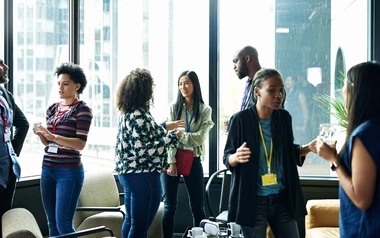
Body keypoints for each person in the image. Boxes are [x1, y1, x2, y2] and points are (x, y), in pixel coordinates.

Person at [223, 68, 316, 238]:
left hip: (282, 198)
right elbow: (227, 157)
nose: (278, 95)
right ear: (257, 91)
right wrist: (235, 157)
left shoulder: (284, 118)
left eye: (281, 90)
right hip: (253, 200)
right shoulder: (240, 120)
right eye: (271, 90)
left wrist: (307, 148)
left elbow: (287, 153)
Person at [313, 61, 380, 237]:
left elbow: (362, 199)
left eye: (344, 85)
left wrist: (333, 160)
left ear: (354, 89)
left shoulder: (364, 134)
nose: (342, 91)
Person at [114, 68, 180, 238]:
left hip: (128, 174)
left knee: (131, 222)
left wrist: (165, 126)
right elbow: (144, 150)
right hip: (142, 175)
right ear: (144, 90)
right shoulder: (140, 116)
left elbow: (144, 135)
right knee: (140, 228)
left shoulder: (128, 114)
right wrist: (172, 138)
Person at [34, 62, 93, 236]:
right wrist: (43, 136)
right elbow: (50, 145)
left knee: (64, 226)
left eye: (65, 84)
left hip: (69, 172)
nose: (60, 87)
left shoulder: (83, 110)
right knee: (51, 225)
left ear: (77, 86)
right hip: (48, 168)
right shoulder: (52, 108)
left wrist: (54, 137)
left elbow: (79, 144)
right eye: (59, 83)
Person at [161, 70, 214, 238]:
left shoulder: (205, 110)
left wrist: (182, 135)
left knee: (197, 206)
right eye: (180, 84)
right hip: (173, 159)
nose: (182, 87)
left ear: (194, 85)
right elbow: (169, 137)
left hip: (194, 159)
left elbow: (200, 138)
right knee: (169, 206)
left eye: (186, 83)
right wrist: (171, 161)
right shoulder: (173, 107)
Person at [0, 58, 29, 234]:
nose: (6, 67)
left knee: (5, 220)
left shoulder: (5, 95)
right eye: (1, 64)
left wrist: (13, 152)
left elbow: (23, 124)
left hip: (8, 169)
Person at [224, 46, 262, 133]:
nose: (234, 67)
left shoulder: (265, 83)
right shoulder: (250, 82)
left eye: (236, 61)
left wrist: (236, 122)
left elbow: (261, 118)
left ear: (247, 58)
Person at [284, 75, 309, 144]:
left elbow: (305, 110)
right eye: (287, 80)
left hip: (298, 124)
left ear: (294, 82)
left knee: (298, 144)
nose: (288, 82)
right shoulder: (286, 95)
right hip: (290, 123)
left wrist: (305, 125)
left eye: (290, 80)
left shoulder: (299, 94)